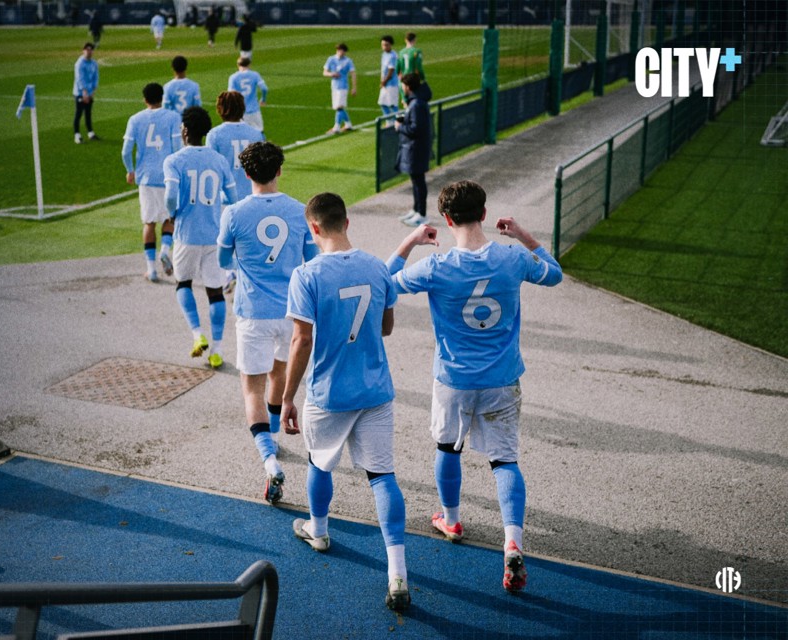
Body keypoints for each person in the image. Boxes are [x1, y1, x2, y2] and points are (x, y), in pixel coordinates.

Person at [385, 180, 563, 593]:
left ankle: (451, 518)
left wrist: (412, 239)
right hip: (502, 378)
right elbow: (554, 275)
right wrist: (523, 235)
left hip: (453, 379)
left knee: (448, 449)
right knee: (504, 460)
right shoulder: (512, 259)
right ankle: (513, 541)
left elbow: (384, 282)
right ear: (485, 214)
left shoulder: (436, 267)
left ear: (446, 220)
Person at [282, 192, 410, 614]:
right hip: (375, 391)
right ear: (347, 222)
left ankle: (318, 530)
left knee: (320, 463)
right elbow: (386, 327)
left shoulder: (306, 275)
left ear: (313, 228)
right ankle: (397, 574)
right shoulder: (377, 267)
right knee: (382, 477)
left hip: (329, 394)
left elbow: (301, 341)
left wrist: (287, 397)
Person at [217, 142, 318, 503]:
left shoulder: (234, 213)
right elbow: (310, 260)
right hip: (291, 312)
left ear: (246, 175)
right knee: (278, 375)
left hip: (252, 311)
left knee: (251, 389)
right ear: (279, 171)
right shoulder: (298, 210)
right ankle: (273, 437)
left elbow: (223, 259)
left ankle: (269, 458)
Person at [163, 106, 237, 368]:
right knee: (215, 293)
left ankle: (197, 335)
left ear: (184, 131)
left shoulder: (174, 161)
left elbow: (171, 195)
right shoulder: (218, 160)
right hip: (213, 234)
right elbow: (233, 198)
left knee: (183, 284)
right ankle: (217, 350)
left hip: (187, 234)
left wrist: (173, 213)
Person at [123, 83, 182, 282]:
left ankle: (151, 269)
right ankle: (165, 250)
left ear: (144, 99)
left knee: (148, 222)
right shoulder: (173, 117)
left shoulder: (135, 119)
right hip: (167, 175)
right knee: (169, 218)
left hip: (146, 177)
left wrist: (130, 170)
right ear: (162, 97)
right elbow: (177, 145)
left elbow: (125, 150)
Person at [205, 91, 265, 203]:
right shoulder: (255, 134)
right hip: (251, 197)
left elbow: (211, 170)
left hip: (224, 199)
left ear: (220, 109)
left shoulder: (214, 135)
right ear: (242, 108)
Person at [396, 73, 432, 226]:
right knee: (416, 180)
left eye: (403, 86)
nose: (402, 88)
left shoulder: (416, 104)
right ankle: (416, 209)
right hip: (415, 148)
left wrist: (400, 126)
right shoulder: (416, 103)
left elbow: (416, 128)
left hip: (416, 148)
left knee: (418, 181)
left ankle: (421, 213)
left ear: (408, 87)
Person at [323, 43, 357, 135]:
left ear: (345, 52)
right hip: (334, 86)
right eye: (338, 50)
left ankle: (336, 127)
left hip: (343, 86)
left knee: (339, 107)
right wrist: (331, 74)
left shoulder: (348, 61)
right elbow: (324, 72)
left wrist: (354, 87)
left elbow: (353, 74)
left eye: (342, 50)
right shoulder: (331, 59)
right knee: (339, 107)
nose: (340, 52)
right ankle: (348, 124)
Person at [227, 57, 268, 132]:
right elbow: (264, 88)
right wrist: (263, 99)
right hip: (254, 110)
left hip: (240, 112)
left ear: (238, 65)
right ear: (249, 65)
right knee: (259, 132)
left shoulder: (233, 77)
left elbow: (230, 94)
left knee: (243, 135)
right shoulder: (255, 75)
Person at [73, 43, 99, 144]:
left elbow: (96, 77)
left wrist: (92, 91)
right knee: (79, 113)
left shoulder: (94, 63)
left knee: (88, 113)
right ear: (83, 50)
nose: (89, 52)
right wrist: (84, 92)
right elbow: (80, 79)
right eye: (87, 50)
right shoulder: (79, 64)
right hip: (80, 93)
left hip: (89, 92)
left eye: (91, 50)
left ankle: (90, 133)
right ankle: (77, 135)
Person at [396, 32, 432, 105]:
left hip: (404, 81)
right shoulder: (416, 51)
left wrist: (400, 78)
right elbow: (418, 66)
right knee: (414, 100)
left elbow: (397, 67)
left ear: (405, 40)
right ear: (415, 40)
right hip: (413, 80)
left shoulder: (401, 52)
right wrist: (423, 78)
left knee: (406, 102)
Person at [378, 35, 399, 121]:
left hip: (392, 84)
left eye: (386, 45)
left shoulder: (393, 56)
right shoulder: (384, 54)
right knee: (382, 103)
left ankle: (400, 122)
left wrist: (384, 81)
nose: (384, 47)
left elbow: (391, 70)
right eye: (383, 45)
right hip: (386, 83)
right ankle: (390, 122)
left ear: (391, 45)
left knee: (393, 105)